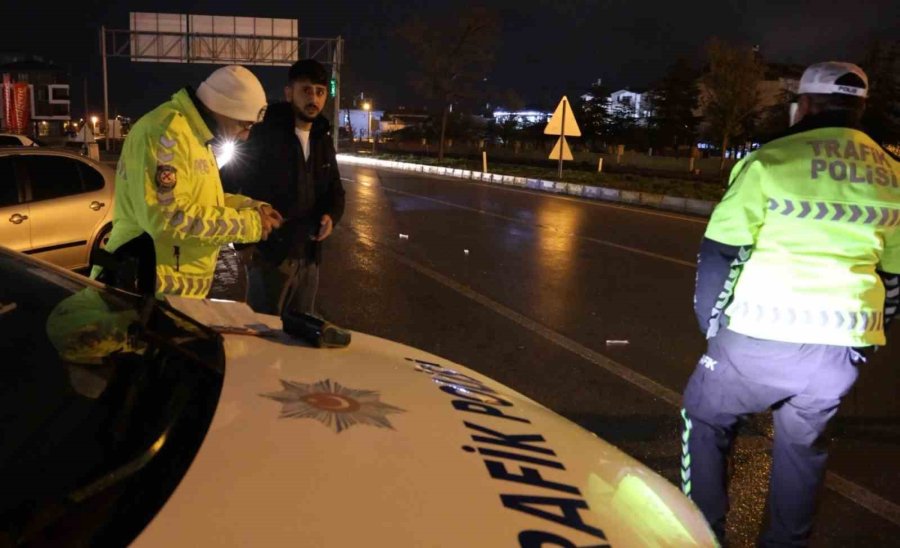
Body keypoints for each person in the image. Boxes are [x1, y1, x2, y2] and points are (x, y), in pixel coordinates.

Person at [682, 61, 899, 546]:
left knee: (705, 417)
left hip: (758, 337)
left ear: (803, 104)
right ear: (860, 109)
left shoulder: (769, 161)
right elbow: (895, 275)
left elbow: (721, 254)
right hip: (838, 350)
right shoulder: (892, 173)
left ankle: (700, 536)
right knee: (803, 449)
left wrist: (712, 327)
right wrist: (864, 338)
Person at [94, 65, 283, 298]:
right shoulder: (167, 134)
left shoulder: (194, 136)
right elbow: (169, 217)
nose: (246, 135)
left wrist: (251, 207)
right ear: (222, 107)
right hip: (141, 288)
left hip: (166, 292)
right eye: (245, 125)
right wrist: (250, 224)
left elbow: (201, 200)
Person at [223, 59, 349, 346]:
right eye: (306, 90)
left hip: (309, 258)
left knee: (302, 339)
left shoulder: (322, 138)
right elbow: (227, 184)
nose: (313, 98)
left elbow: (336, 191)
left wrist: (331, 215)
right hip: (270, 258)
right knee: (262, 336)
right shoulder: (263, 133)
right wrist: (245, 235)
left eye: (319, 92)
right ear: (289, 92)